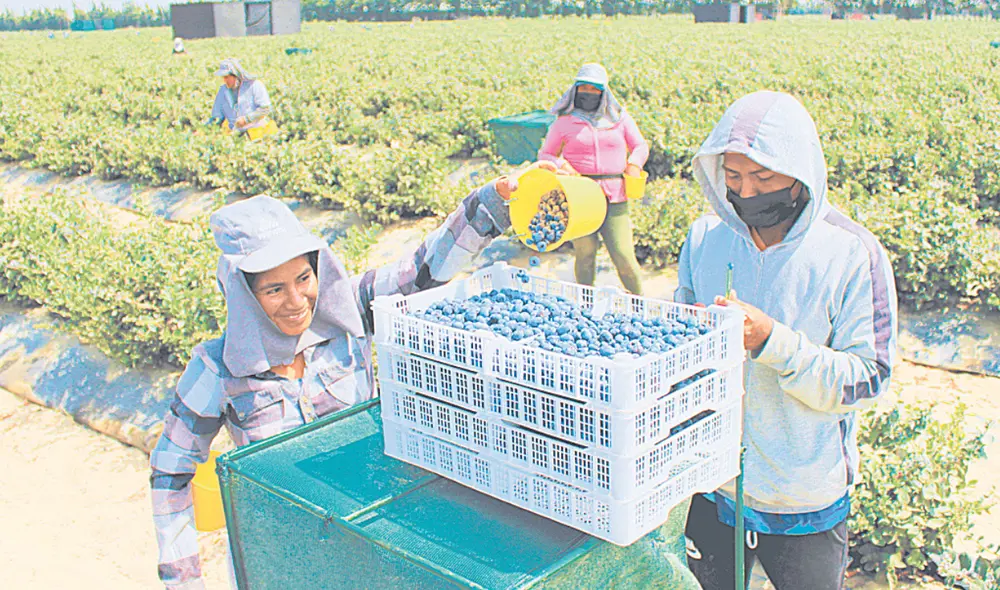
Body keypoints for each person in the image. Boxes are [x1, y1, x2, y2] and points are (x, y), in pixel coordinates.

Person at [149, 169, 535, 589]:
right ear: (245, 295)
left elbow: (421, 271)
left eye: (303, 278)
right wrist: (182, 579)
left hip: (367, 533)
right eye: (274, 290)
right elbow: (170, 474)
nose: (297, 302)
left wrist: (490, 204)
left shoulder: (349, 311)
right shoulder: (217, 369)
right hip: (282, 553)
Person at [676, 91, 898, 590]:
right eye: (732, 178)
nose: (746, 192)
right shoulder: (705, 238)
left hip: (802, 495)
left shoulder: (850, 254)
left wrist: (773, 342)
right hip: (713, 482)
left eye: (763, 178)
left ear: (800, 174)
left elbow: (868, 378)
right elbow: (679, 336)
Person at [538, 63, 649, 295]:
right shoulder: (564, 122)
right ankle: (585, 304)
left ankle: (641, 303)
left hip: (615, 194)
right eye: (584, 87)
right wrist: (562, 166)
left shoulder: (620, 119)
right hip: (580, 197)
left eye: (595, 89)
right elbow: (546, 154)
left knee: (623, 255)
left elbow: (639, 145)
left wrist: (635, 164)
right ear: (575, 90)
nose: (589, 92)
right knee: (585, 253)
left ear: (604, 93)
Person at [207, 58, 271, 135]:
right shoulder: (223, 91)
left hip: (257, 131)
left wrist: (246, 119)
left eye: (227, 77)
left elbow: (265, 109)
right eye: (223, 77)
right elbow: (217, 116)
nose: (224, 80)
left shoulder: (254, 85)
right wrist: (205, 129)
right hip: (236, 134)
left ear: (235, 75)